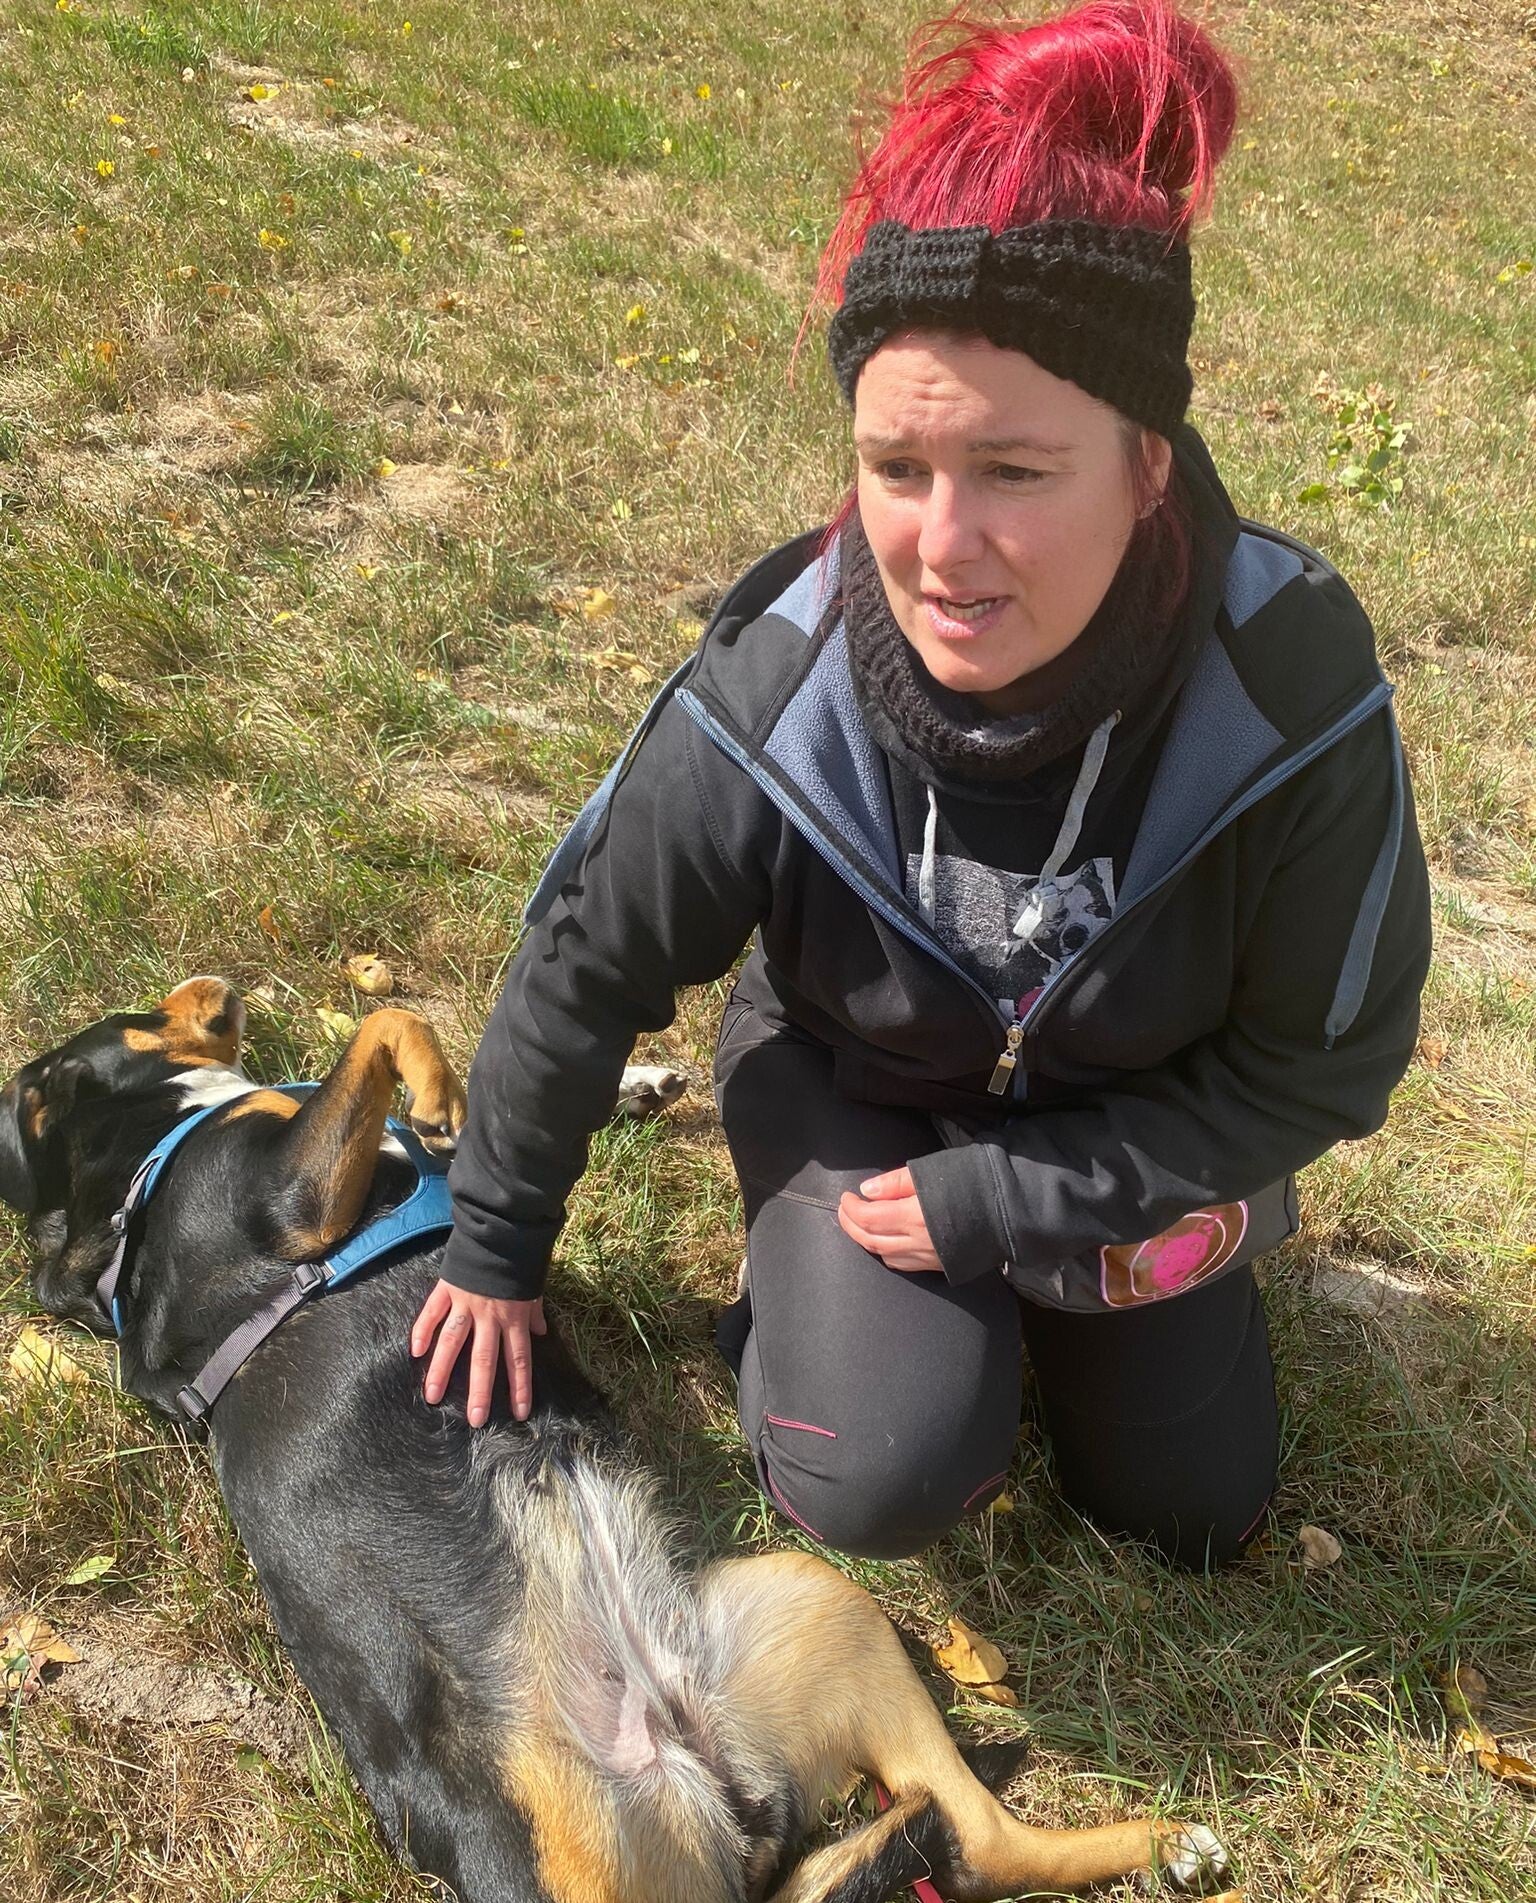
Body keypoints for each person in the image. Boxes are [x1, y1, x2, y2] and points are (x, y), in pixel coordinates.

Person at [410, 0, 1432, 1569]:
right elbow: (588, 956)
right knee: (882, 1475)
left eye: (1016, 471)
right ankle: (827, 1295)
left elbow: (1325, 1068)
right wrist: (493, 1246)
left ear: (1149, 462)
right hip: (855, 1084)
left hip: (1131, 1117)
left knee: (1189, 1514)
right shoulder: (782, 675)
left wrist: (1017, 1200)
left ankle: (1034, 1300)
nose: (942, 549)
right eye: (897, 467)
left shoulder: (1287, 684)